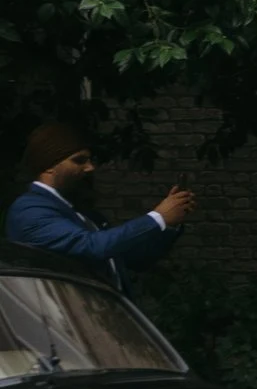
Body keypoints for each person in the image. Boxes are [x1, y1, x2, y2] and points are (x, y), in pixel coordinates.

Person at [8, 123, 192, 294]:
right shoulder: (30, 211)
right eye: (79, 161)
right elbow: (93, 246)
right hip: (64, 323)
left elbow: (135, 259)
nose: (90, 168)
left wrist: (169, 224)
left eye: (89, 160)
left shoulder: (81, 213)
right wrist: (158, 217)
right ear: (49, 166)